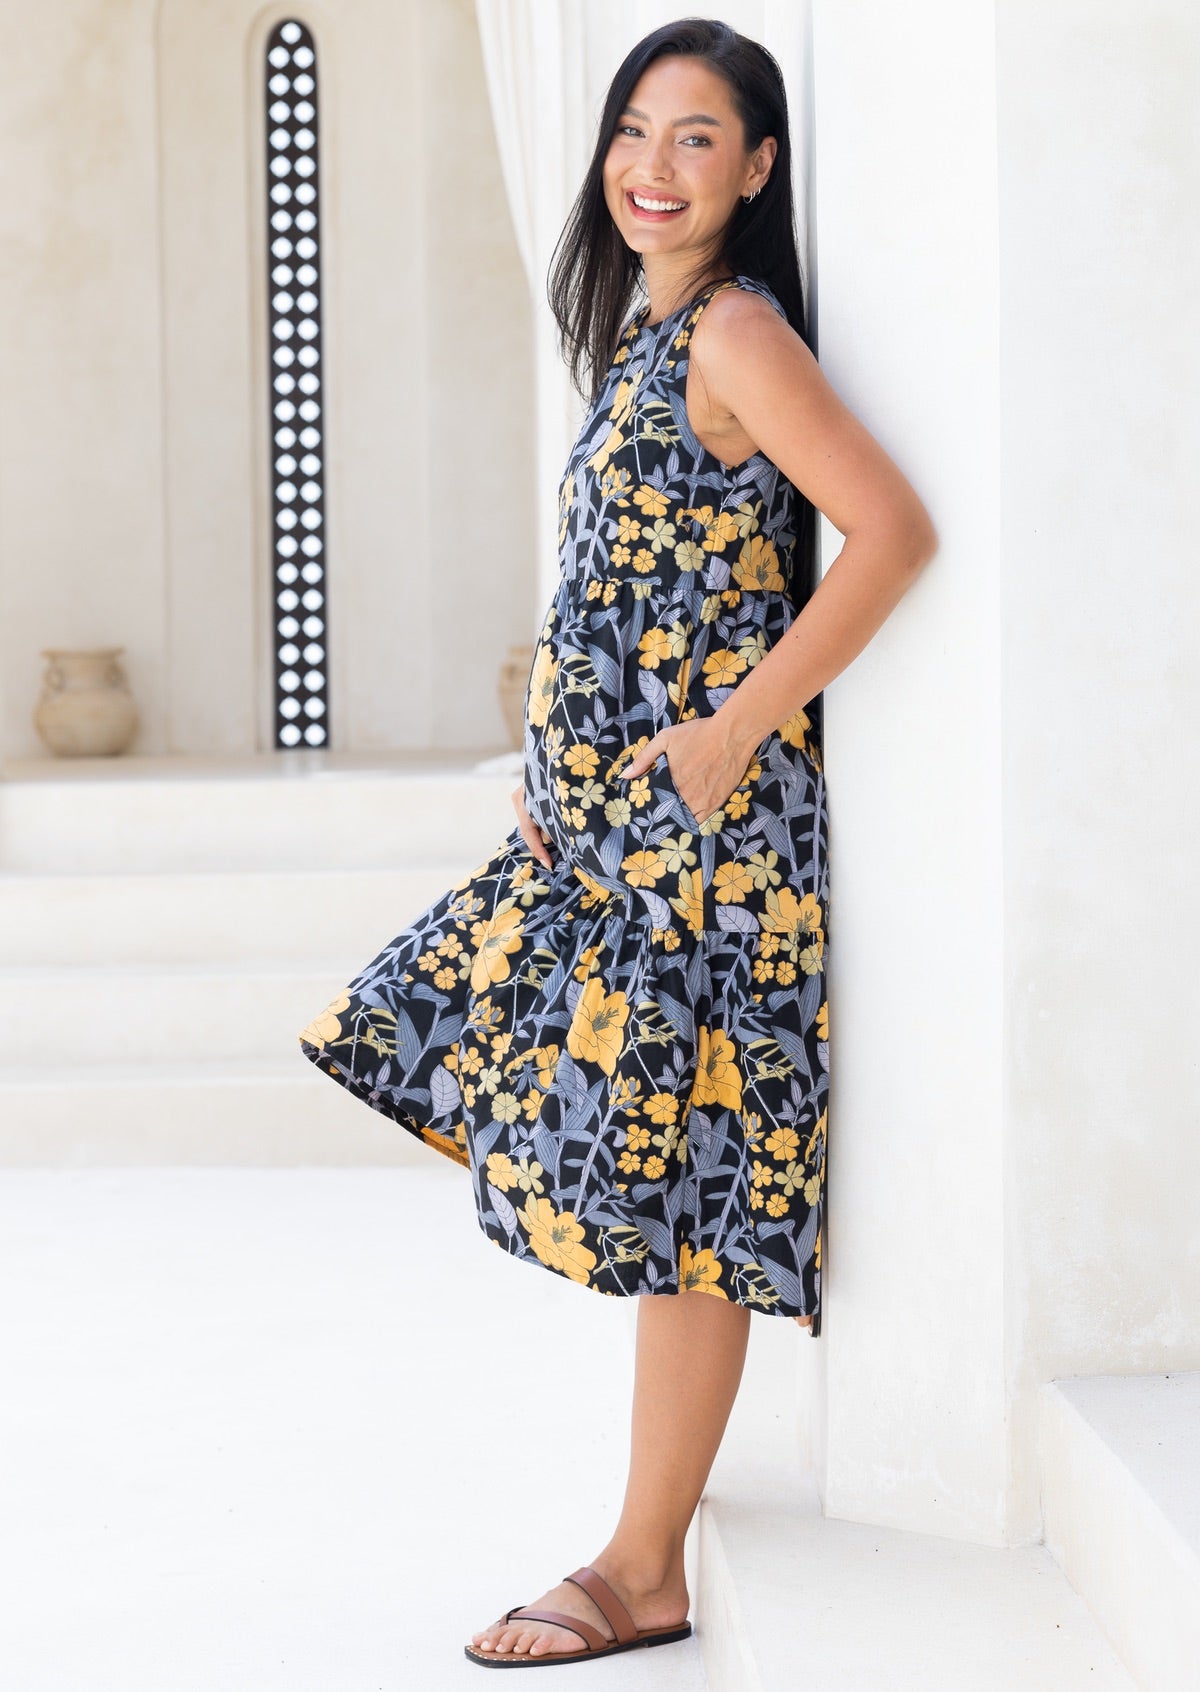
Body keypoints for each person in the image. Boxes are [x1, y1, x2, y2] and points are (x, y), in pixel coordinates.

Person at [298, 14, 936, 1671]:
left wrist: (731, 730)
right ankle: (641, 1549)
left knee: (692, 1190)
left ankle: (642, 1565)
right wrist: (554, 754)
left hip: (711, 847)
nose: (654, 170)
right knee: (519, 1081)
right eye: (635, 134)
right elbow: (629, 585)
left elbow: (890, 531)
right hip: (607, 836)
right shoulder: (647, 339)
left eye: (699, 139)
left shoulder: (734, 334)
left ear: (759, 168)